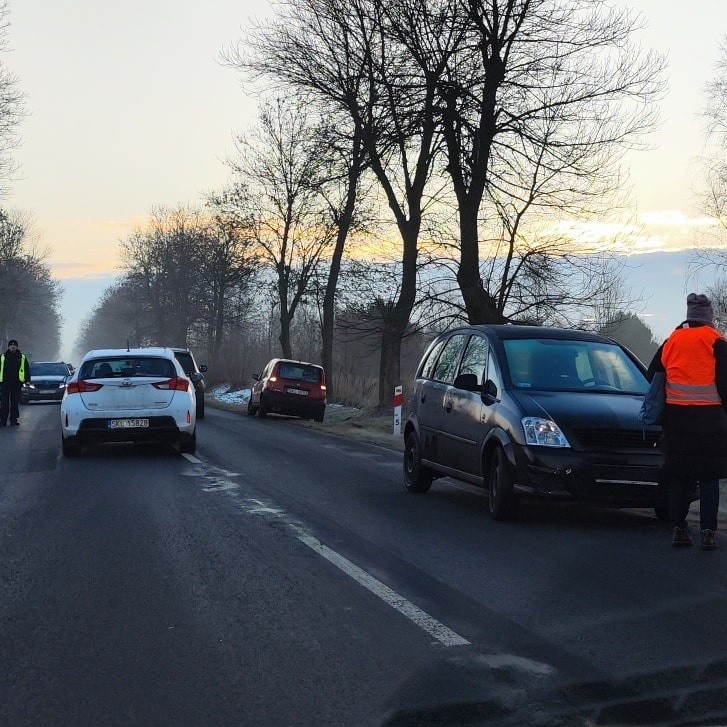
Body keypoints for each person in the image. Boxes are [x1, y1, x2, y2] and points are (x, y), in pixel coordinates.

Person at [646, 294, 727, 550]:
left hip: (677, 418)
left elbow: (652, 375)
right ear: (709, 317)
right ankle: (708, 532)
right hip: (710, 420)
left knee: (679, 475)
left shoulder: (672, 340)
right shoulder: (716, 341)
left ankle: (679, 529)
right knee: (709, 477)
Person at [0, 339, 30, 427]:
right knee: (4, 402)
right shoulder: (2, 357)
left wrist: (27, 380)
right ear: (8, 347)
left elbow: (26, 369)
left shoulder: (22, 357)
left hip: (17, 383)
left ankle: (13, 419)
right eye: (11, 345)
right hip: (5, 383)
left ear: (17, 347)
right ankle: (3, 420)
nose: (13, 347)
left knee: (14, 403)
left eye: (14, 345)